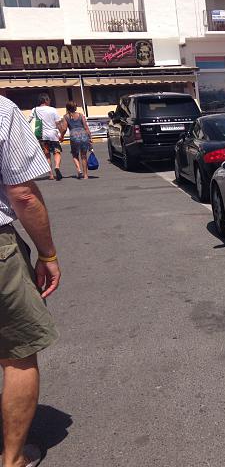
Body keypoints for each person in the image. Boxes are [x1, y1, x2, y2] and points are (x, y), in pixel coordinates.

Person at [1, 95, 61, 467]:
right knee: (17, 356)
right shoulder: (2, 110)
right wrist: (48, 255)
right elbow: (22, 193)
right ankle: (12, 459)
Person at [28, 94, 64, 181]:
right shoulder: (53, 110)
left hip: (41, 135)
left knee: (47, 154)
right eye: (49, 99)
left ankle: (51, 174)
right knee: (57, 152)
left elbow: (28, 121)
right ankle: (57, 167)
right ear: (46, 100)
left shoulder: (35, 109)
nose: (50, 101)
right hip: (53, 134)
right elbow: (58, 124)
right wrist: (62, 134)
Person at [59, 101, 92, 179]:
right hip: (83, 135)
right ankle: (85, 175)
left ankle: (79, 170)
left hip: (74, 136)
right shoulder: (80, 115)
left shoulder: (66, 117)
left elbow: (64, 128)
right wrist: (90, 137)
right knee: (84, 156)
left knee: (75, 155)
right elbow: (86, 127)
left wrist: (61, 136)